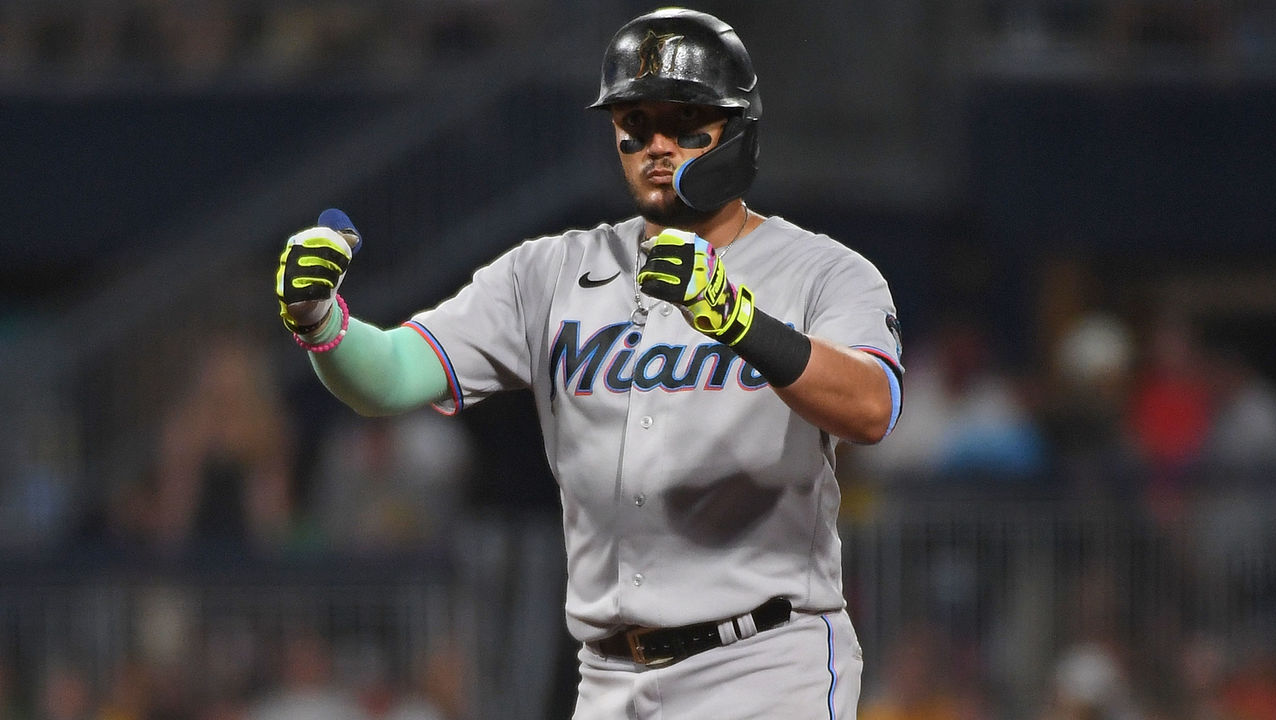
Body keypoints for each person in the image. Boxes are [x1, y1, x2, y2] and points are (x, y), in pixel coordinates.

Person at [274, 8, 903, 719]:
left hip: (763, 666)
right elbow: (391, 374)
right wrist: (321, 322)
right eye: (635, 123)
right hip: (611, 679)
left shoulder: (820, 272)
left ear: (738, 130)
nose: (657, 145)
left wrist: (739, 322)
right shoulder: (551, 273)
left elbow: (871, 406)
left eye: (684, 121)